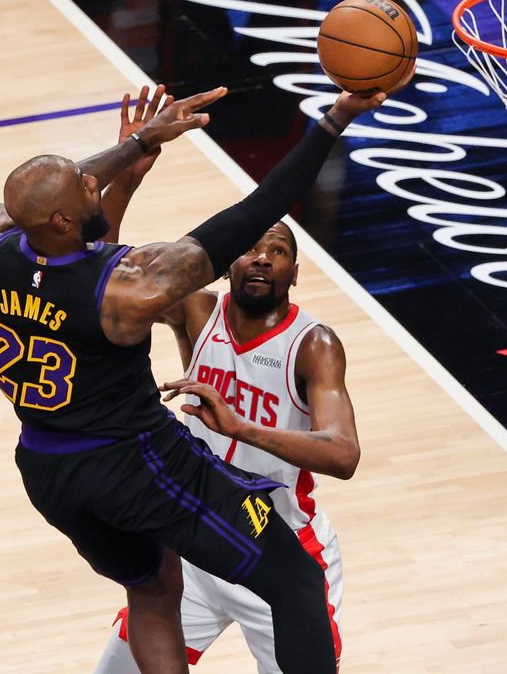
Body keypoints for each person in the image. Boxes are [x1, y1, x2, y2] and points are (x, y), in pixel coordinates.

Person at [0, 83, 384, 674]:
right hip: (134, 464)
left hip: (47, 468)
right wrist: (334, 120)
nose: (94, 180)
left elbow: (43, 219)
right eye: (85, 184)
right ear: (61, 218)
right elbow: (258, 210)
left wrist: (135, 148)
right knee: (295, 580)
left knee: (155, 584)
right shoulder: (134, 285)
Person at [89, 211, 359, 673]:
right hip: (196, 546)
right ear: (225, 262)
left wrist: (242, 428)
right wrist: (128, 181)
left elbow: (344, 453)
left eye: (278, 251)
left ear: (294, 273)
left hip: (281, 553)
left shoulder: (314, 344)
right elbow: (106, 277)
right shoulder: (197, 311)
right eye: (251, 247)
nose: (263, 258)